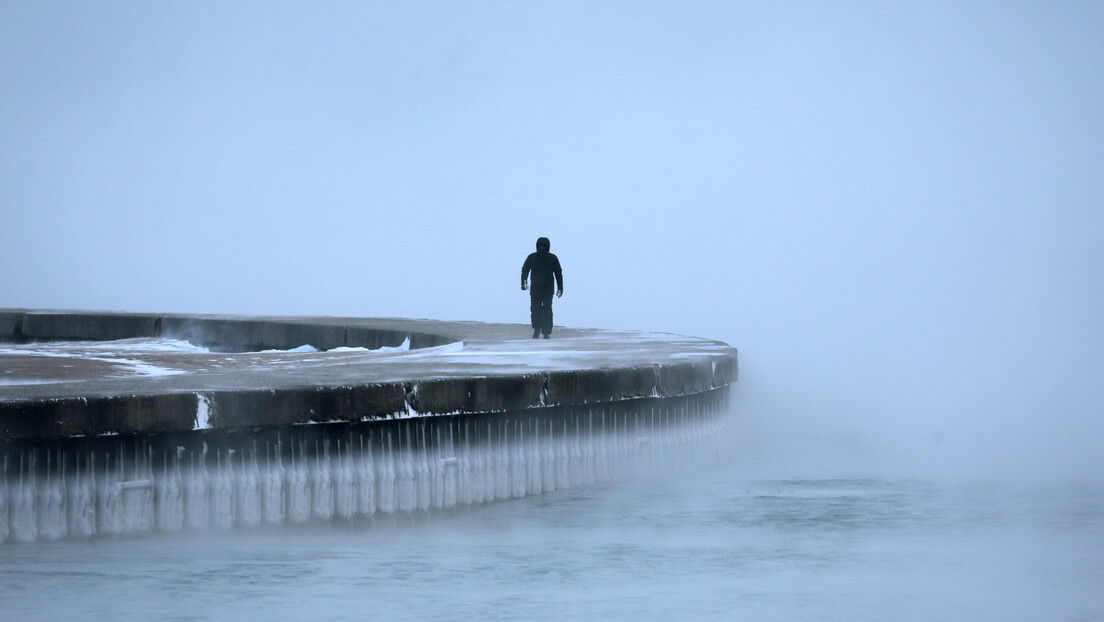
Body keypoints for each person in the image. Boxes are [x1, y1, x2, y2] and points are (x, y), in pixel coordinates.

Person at [521, 237, 563, 338]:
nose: (542, 248)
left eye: (544, 246)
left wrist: (560, 288)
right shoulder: (533, 257)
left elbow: (558, 273)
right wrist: (523, 282)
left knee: (544, 309)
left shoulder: (552, 258)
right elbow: (525, 270)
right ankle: (539, 329)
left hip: (546, 289)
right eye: (541, 246)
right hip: (538, 288)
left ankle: (545, 331)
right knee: (538, 309)